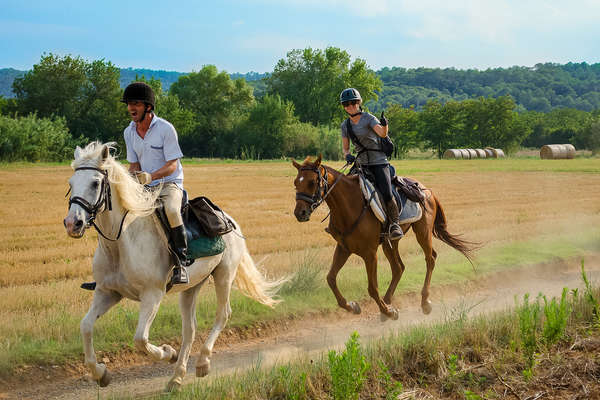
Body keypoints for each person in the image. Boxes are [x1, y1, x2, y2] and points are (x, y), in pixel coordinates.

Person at [122, 82, 190, 284]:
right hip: (144, 186)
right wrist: (129, 180)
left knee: (170, 209)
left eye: (135, 103)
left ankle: (181, 264)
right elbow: (134, 164)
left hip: (170, 184)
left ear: (148, 107)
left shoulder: (165, 129)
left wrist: (150, 176)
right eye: (128, 104)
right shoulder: (129, 132)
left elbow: (172, 165)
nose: (130, 108)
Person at [340, 87, 403, 240]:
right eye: (347, 104)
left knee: (387, 193)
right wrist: (348, 156)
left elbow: (382, 133)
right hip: (361, 164)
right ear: (344, 107)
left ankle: (395, 224)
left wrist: (385, 124)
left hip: (379, 162)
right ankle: (341, 223)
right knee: (345, 190)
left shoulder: (369, 118)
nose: (350, 106)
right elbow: (346, 148)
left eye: (353, 102)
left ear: (359, 102)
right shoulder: (345, 125)